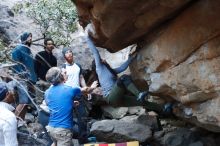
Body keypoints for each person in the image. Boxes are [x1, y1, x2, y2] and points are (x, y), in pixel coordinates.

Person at [86, 36, 164, 113]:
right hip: (110, 98)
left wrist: (132, 57)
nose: (103, 59)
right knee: (123, 78)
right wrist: (87, 37)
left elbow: (122, 68)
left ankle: (164, 109)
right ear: (99, 62)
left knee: (141, 101)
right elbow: (95, 52)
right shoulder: (99, 69)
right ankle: (139, 95)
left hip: (117, 99)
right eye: (101, 59)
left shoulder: (110, 71)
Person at [61, 47, 97, 144]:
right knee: (67, 117)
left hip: (78, 94)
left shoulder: (78, 66)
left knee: (82, 117)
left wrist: (87, 91)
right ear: (64, 56)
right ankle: (67, 140)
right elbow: (61, 82)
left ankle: (83, 140)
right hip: (67, 95)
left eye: (70, 52)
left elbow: (81, 78)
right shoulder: (63, 67)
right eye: (67, 53)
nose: (69, 54)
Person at [45, 67, 83, 146]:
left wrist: (71, 103)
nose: (66, 74)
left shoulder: (47, 92)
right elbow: (85, 90)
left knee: (56, 142)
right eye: (64, 73)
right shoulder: (69, 89)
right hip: (62, 130)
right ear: (60, 76)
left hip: (51, 128)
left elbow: (54, 105)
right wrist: (92, 87)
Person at [11, 32, 37, 119]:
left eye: (31, 37)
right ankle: (13, 121)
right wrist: (21, 75)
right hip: (22, 79)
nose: (30, 39)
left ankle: (21, 122)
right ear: (24, 38)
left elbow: (30, 65)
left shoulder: (28, 50)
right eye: (29, 37)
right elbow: (15, 63)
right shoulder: (18, 49)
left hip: (30, 80)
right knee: (23, 101)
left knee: (26, 103)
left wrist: (33, 78)